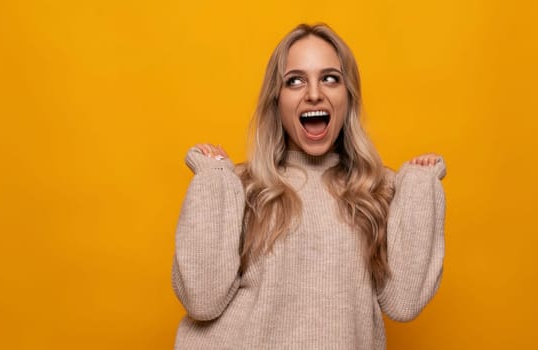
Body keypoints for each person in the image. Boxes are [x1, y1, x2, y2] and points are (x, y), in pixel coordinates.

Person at [171, 23, 447, 349]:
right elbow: (202, 300)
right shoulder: (242, 187)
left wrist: (418, 188)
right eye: (295, 80)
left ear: (348, 97)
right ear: (277, 100)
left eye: (330, 78)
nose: (314, 93)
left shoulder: (376, 191)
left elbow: (403, 302)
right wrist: (213, 181)